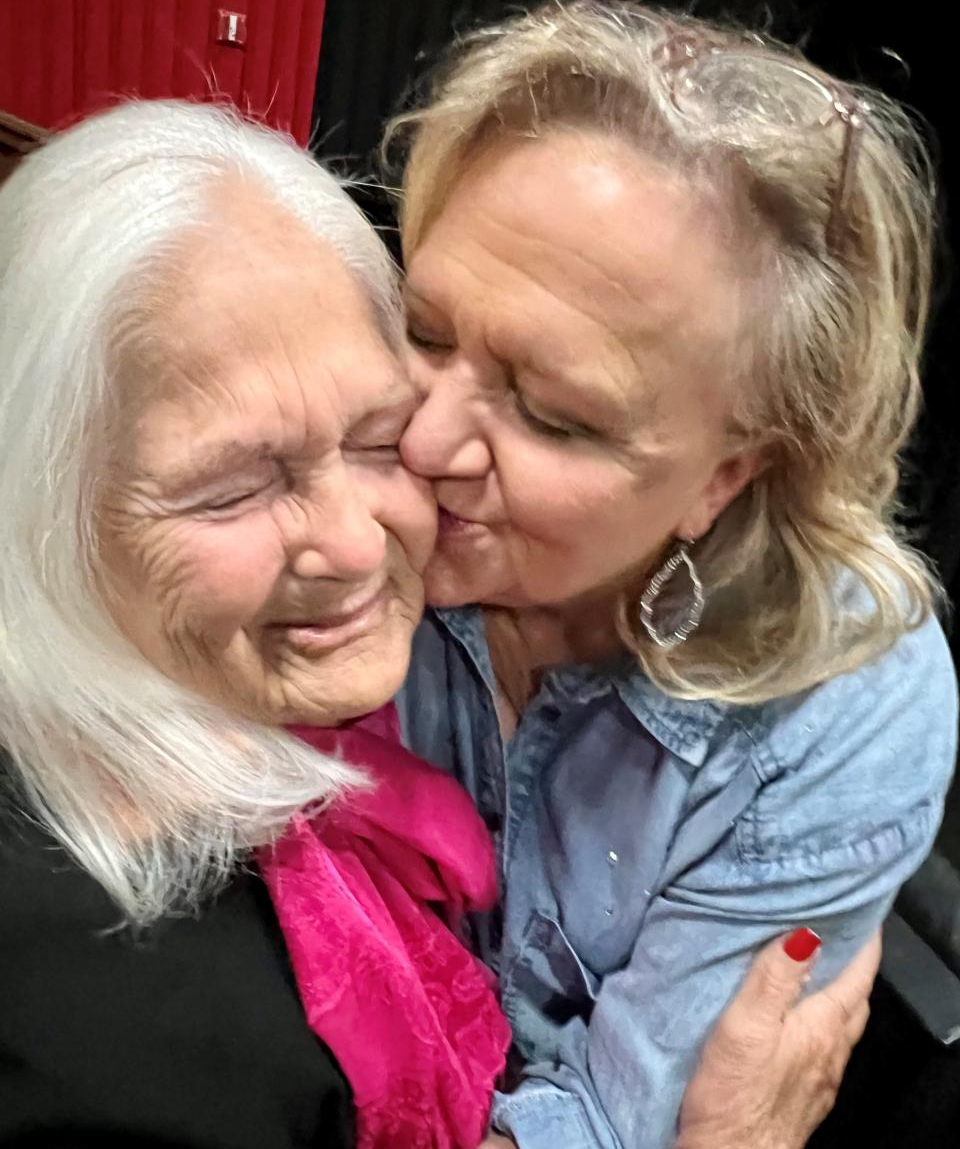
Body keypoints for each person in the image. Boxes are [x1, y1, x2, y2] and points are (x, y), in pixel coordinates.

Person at [0, 97, 875, 1149]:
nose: (365, 544)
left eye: (378, 436)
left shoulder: (255, 710)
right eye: (232, 488)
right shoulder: (127, 1031)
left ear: (726, 476)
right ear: (42, 503)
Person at [388, 0, 959, 1149]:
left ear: (728, 473)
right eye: (423, 327)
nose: (419, 444)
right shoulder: (340, 456)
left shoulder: (840, 704)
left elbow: (609, 1118)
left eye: (551, 414)